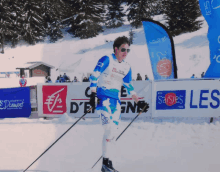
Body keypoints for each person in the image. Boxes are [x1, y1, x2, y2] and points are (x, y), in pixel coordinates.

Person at [89, 36, 149, 172]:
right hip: (103, 98)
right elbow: (94, 76)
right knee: (108, 129)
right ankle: (105, 165)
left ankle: (108, 163)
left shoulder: (127, 67)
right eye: (123, 49)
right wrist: (93, 93)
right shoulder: (107, 59)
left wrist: (139, 103)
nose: (125, 53)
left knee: (113, 133)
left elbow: (129, 86)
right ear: (116, 49)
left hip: (116, 102)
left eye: (128, 50)